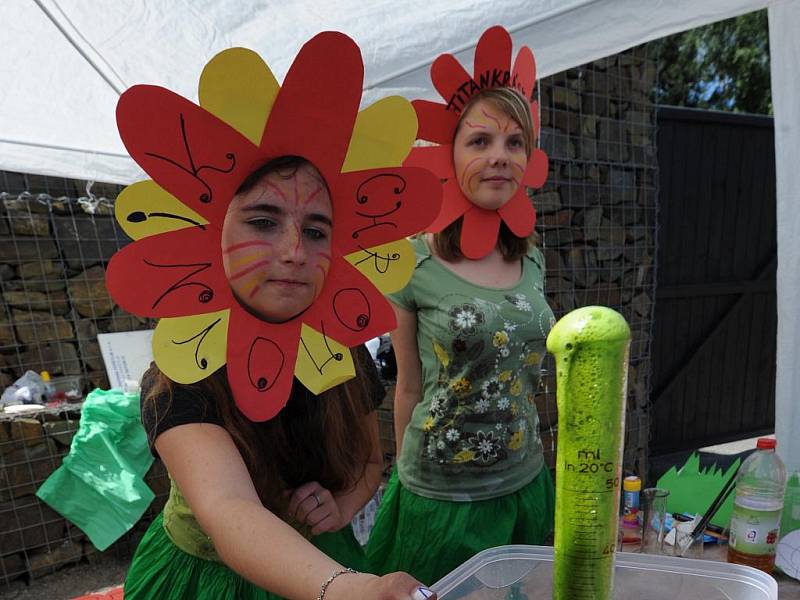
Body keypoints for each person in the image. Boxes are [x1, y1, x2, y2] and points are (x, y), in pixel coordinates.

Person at [124, 156, 433, 600]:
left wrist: (340, 506)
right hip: (204, 582)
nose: (295, 251)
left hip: (324, 561)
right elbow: (230, 508)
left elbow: (368, 464)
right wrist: (351, 592)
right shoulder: (181, 375)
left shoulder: (340, 356)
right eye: (264, 222)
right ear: (210, 232)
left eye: (315, 231)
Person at [367, 82, 556, 585]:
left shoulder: (532, 258)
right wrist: (407, 486)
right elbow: (407, 386)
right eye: (480, 142)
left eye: (515, 142)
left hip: (525, 481)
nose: (500, 156)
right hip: (442, 497)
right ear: (448, 157)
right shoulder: (413, 261)